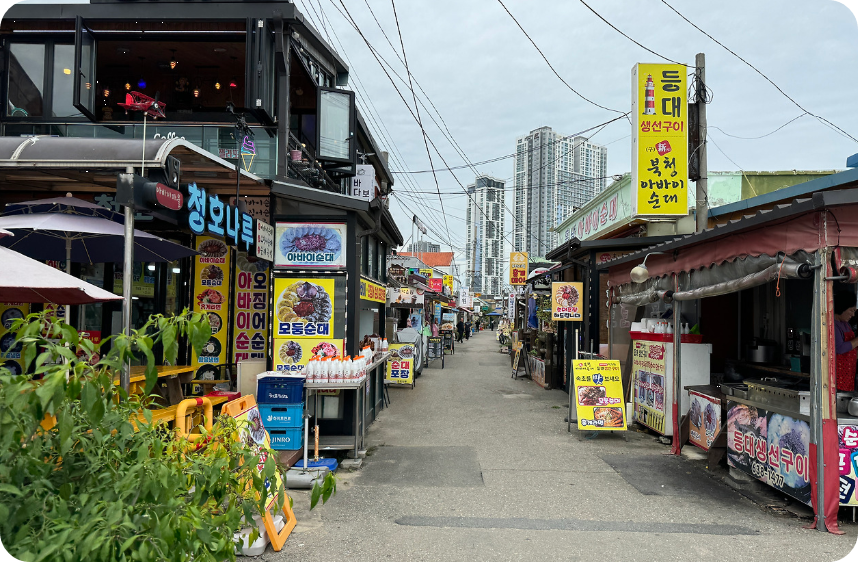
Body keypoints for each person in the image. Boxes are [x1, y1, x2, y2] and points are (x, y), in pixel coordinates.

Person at [835, 292, 858, 391]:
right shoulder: (833, 325)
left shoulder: (846, 324)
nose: (853, 315)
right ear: (842, 307)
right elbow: (840, 348)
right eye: (851, 310)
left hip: (849, 375)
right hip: (838, 377)